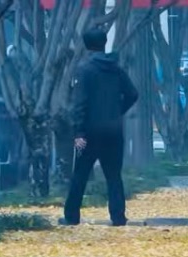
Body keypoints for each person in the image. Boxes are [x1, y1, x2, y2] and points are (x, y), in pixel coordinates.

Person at [62, 25, 139, 229]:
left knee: (80, 174)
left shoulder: (84, 70)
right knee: (114, 176)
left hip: (89, 133)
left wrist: (78, 132)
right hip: (113, 131)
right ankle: (118, 217)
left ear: (86, 46)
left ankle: (71, 216)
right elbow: (133, 94)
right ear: (104, 44)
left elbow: (80, 103)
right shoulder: (116, 69)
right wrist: (117, 111)